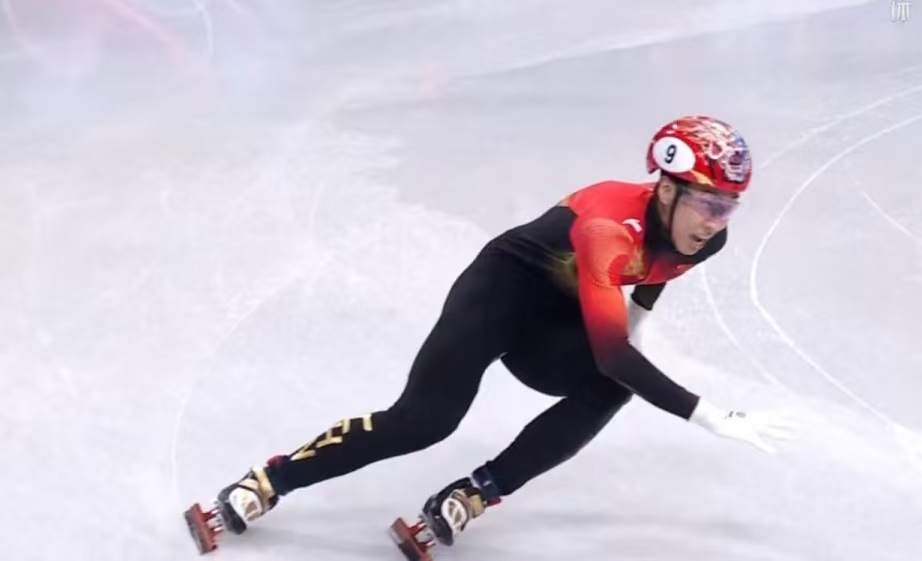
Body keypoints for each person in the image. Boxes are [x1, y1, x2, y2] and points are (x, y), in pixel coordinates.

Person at [197, 115, 796, 551]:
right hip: (497, 296)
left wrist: (638, 317)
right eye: (709, 204)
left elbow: (660, 271)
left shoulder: (705, 239)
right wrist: (710, 415)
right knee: (424, 422)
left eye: (729, 207)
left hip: (556, 322)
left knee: (613, 387)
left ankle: (480, 490)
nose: (716, 222)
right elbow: (613, 352)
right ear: (666, 190)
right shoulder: (607, 230)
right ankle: (272, 480)